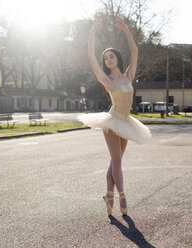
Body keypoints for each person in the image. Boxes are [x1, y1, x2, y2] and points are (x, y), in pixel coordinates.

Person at [77, 19, 151, 217]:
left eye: (111, 56)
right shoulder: (107, 80)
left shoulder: (128, 76)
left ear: (117, 58)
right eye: (106, 58)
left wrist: (127, 30)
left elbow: (135, 52)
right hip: (112, 121)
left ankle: (108, 196)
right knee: (117, 161)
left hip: (126, 122)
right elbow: (91, 57)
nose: (108, 59)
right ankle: (122, 197)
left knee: (114, 161)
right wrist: (92, 34)